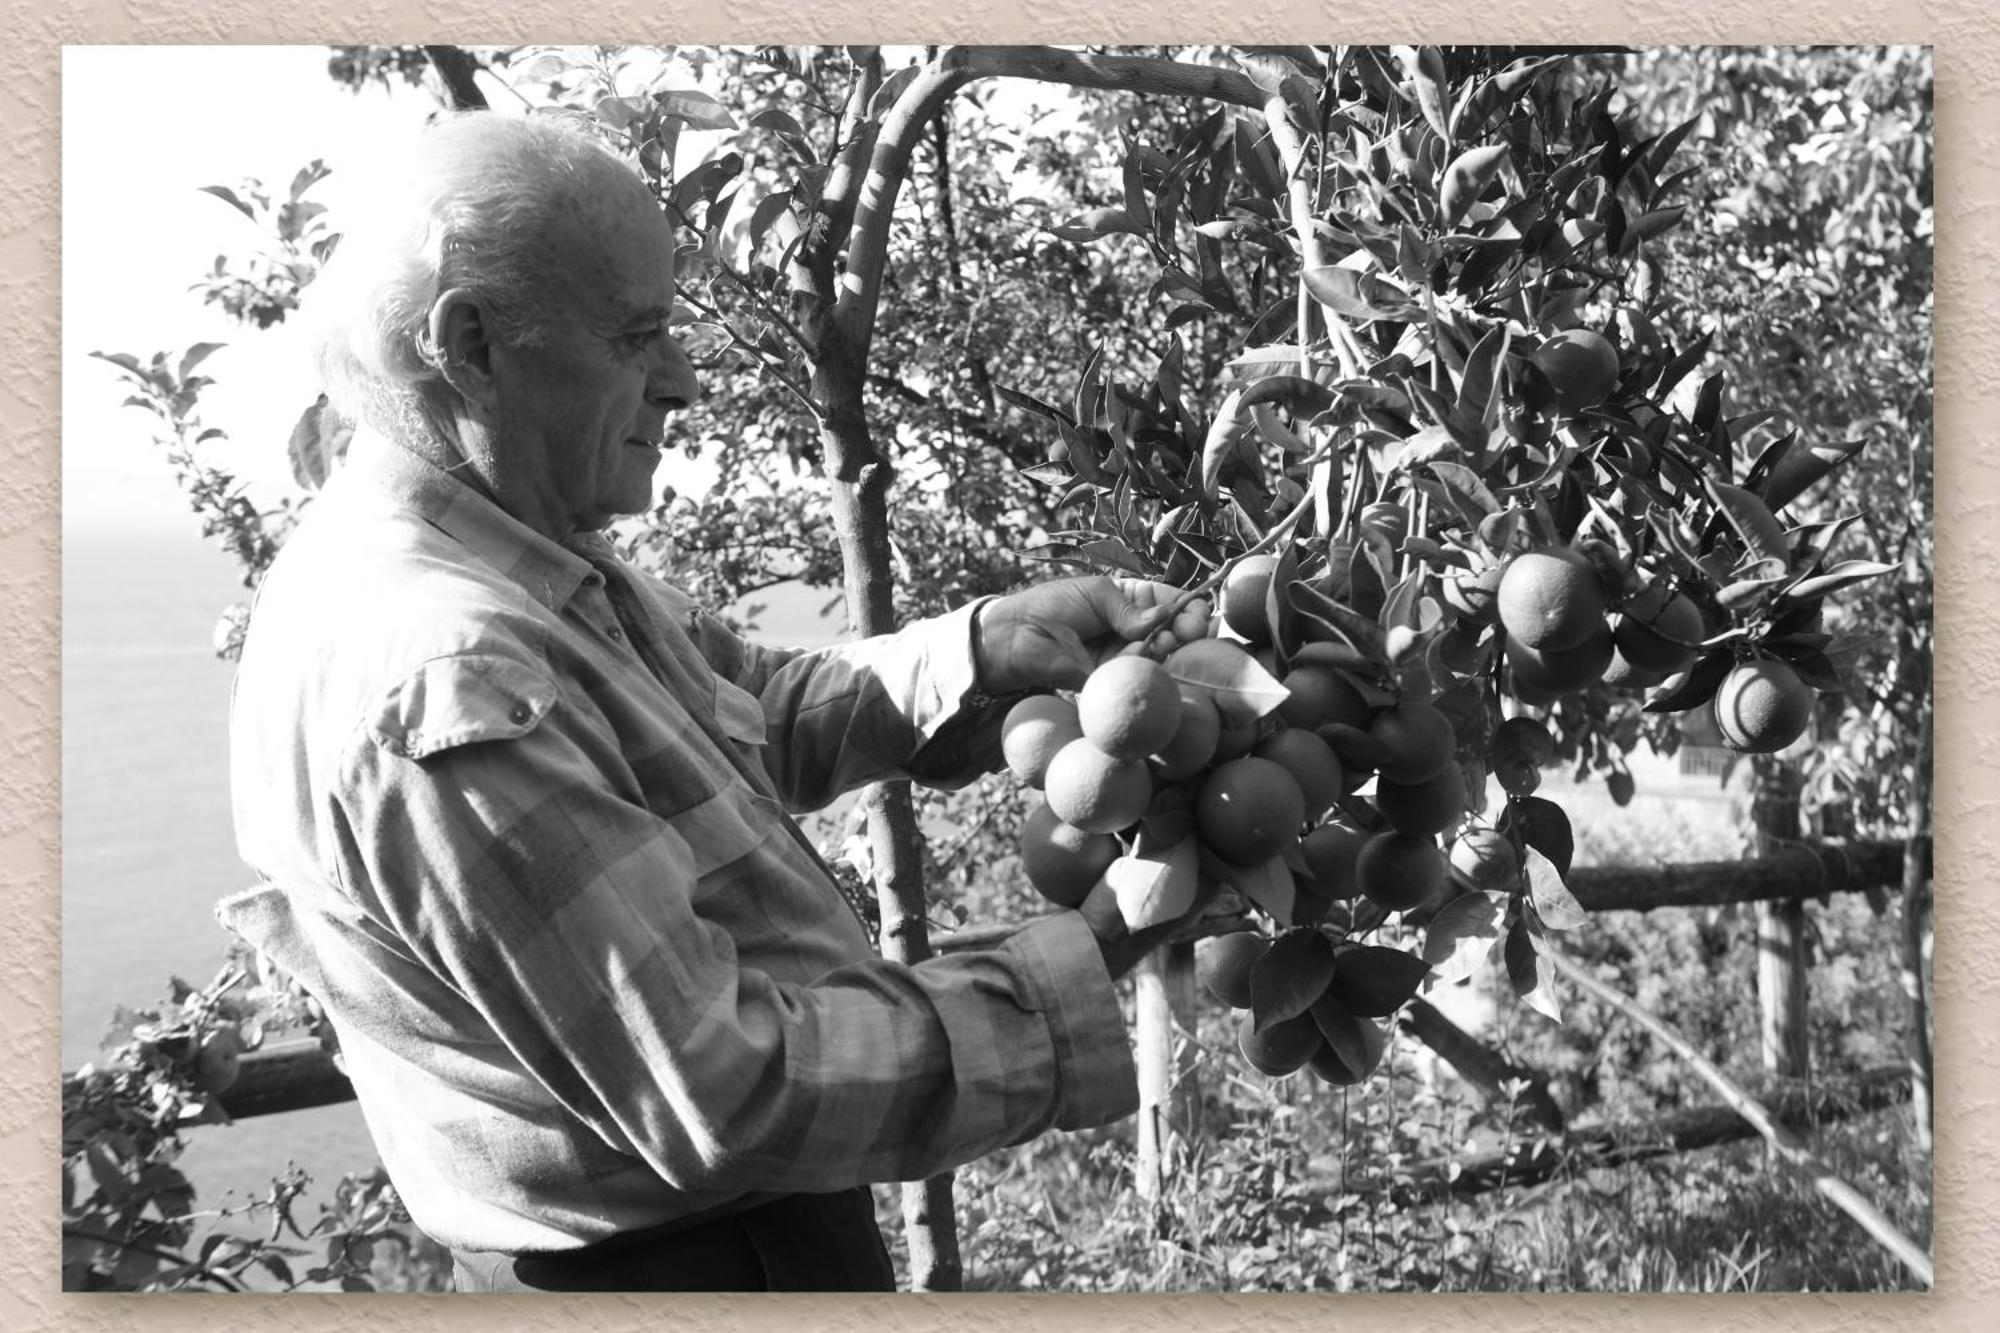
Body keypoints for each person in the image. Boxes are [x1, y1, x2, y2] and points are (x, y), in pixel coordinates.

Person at [217, 110, 1200, 1292]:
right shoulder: (447, 676)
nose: (681, 381)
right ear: (470, 344)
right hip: (688, 1268)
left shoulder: (505, 558)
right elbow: (728, 1086)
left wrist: (983, 648)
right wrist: (1090, 959)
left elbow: (744, 718)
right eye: (639, 338)